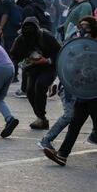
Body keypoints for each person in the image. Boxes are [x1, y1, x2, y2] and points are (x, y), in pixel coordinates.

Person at [43, 16, 97, 166]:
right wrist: (58, 82)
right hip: (82, 92)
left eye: (86, 26)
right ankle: (62, 155)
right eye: (81, 26)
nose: (82, 29)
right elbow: (69, 66)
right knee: (74, 124)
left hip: (95, 93)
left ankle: (62, 154)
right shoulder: (79, 46)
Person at [10, 17, 61, 129]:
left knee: (40, 85)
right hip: (32, 69)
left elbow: (59, 52)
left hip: (49, 67)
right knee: (29, 91)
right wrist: (23, 62)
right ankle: (41, 117)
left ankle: (41, 116)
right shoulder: (20, 39)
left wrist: (47, 60)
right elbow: (14, 55)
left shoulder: (47, 37)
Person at [0, 0, 22, 82]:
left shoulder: (5, 2)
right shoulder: (16, 0)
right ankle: (15, 75)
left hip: (8, 32)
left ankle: (11, 75)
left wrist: (0, 28)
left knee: (9, 53)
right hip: (17, 31)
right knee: (15, 53)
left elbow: (5, 15)